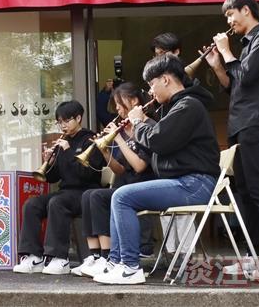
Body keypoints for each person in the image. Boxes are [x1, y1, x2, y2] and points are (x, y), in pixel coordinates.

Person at [93, 54, 220, 285]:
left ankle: (130, 267)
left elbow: (158, 141)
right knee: (118, 196)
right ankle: (118, 262)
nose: (150, 91)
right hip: (187, 182)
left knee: (122, 197)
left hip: (195, 184)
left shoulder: (188, 106)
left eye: (152, 84)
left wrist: (140, 122)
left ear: (165, 80)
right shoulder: (176, 107)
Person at [203, 0, 259, 279]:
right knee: (245, 192)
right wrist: (218, 65)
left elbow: (249, 74)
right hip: (241, 125)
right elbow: (236, 86)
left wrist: (227, 51)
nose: (229, 21)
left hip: (256, 124)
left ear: (245, 10)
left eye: (231, 14)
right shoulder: (247, 46)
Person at [72, 83, 155, 278]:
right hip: (124, 185)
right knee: (89, 195)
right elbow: (119, 169)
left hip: (142, 187)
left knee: (98, 196)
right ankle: (96, 256)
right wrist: (104, 150)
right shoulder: (124, 130)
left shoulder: (148, 126)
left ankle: (109, 256)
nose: (116, 110)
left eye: (119, 104)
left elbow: (139, 166)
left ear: (133, 101)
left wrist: (117, 140)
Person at [13, 101, 104, 275]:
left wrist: (69, 151)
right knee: (32, 204)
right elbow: (54, 178)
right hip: (66, 191)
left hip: (85, 192)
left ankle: (59, 258)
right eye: (59, 122)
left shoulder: (90, 140)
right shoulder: (63, 141)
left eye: (66, 121)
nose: (63, 125)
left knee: (57, 202)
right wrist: (49, 162)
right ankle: (34, 256)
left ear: (78, 118)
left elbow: (88, 174)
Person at [151, 31, 196, 257]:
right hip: (167, 160)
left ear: (177, 52)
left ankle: (186, 254)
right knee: (166, 208)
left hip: (183, 163)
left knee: (182, 209)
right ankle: (170, 253)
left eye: (164, 53)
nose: (161, 58)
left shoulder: (189, 87)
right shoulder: (159, 91)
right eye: (157, 54)